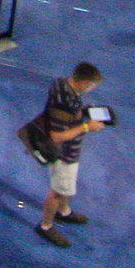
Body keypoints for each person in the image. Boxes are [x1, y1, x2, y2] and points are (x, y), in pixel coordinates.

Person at [33, 62, 107, 248]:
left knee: (64, 187)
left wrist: (80, 113)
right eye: (91, 85)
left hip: (64, 152)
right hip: (63, 155)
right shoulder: (67, 104)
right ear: (82, 82)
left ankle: (64, 212)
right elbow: (57, 136)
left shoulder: (60, 84)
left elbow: (65, 115)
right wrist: (86, 127)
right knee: (57, 191)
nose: (92, 89)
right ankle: (46, 225)